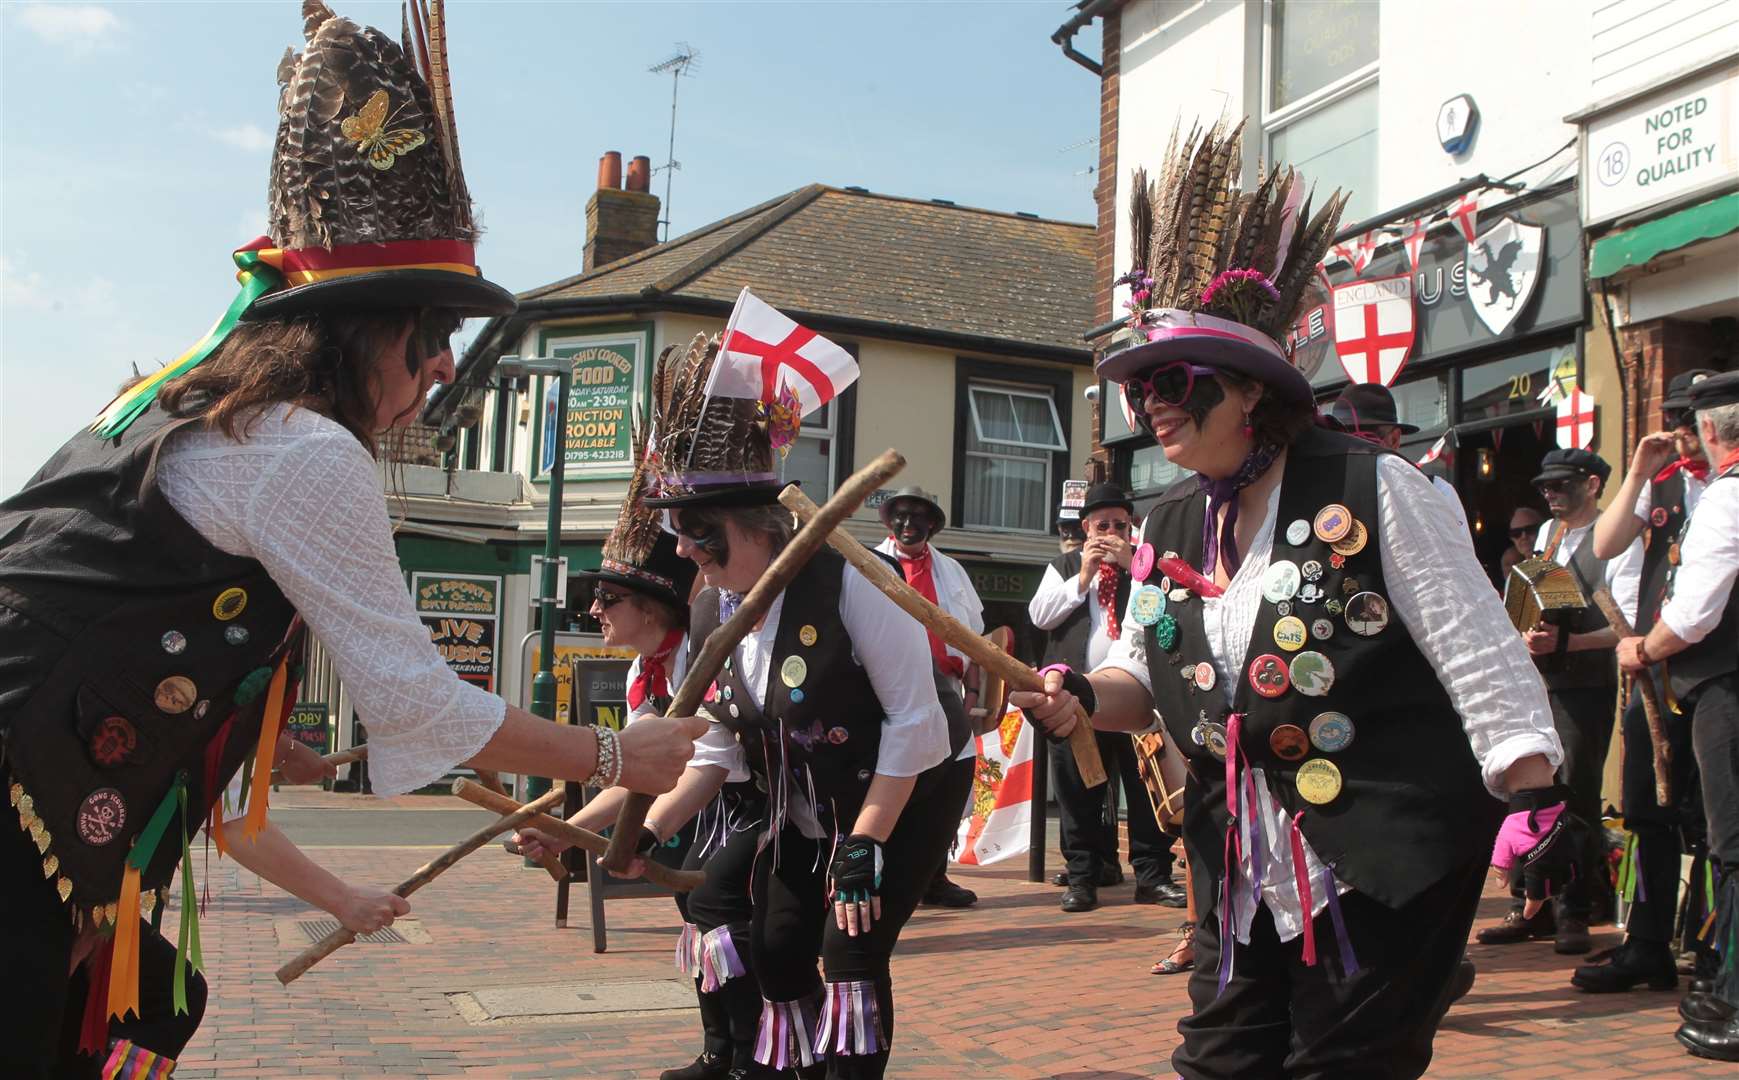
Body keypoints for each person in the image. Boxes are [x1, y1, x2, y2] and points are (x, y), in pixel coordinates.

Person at [0, 6, 701, 1076]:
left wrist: (239, 727)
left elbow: (118, 609)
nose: (436, 380)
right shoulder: (304, 449)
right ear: (368, 327)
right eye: (430, 343)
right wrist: (614, 753)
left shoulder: (175, 405)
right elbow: (418, 705)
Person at [1010, 121, 1570, 1079]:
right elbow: (1141, 677)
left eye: (1173, 380)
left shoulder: (1378, 487)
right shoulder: (1170, 521)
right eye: (1142, 388)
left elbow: (1475, 647)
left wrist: (1533, 794)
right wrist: (1074, 691)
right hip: (1239, 859)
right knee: (1219, 1061)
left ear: (1251, 391)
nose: (1151, 405)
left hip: (1379, 846)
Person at [622, 332, 966, 1080]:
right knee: (777, 949)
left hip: (903, 792)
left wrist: (865, 842)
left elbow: (918, 722)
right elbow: (721, 745)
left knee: (849, 951)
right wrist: (652, 828)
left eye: (692, 530)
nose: (679, 548)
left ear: (756, 523)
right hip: (803, 802)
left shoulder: (850, 583)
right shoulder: (714, 612)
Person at [1573, 369, 1720, 996]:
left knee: (1715, 816)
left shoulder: (1727, 485)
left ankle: (1713, 947)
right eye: (1677, 425)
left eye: (1693, 426)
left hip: (1714, 671)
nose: (1685, 440)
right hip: (1654, 671)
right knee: (1645, 808)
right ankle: (1649, 944)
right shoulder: (1661, 481)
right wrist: (1637, 472)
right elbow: (1603, 545)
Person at [1613, 370, 1739, 1061]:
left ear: (1710, 432)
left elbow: (1692, 614)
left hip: (1727, 686)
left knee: (1734, 845)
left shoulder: (1725, 497)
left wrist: (1641, 649)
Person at [1478, 447, 1641, 954]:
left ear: (1592, 485)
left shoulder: (1617, 538)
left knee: (1575, 795)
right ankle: (1533, 905)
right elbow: (1537, 605)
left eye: (1561, 485)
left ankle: (1573, 908)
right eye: (1545, 486)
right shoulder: (1547, 537)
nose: (1549, 494)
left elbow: (1628, 629)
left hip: (1584, 685)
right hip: (1540, 682)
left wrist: (1566, 644)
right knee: (1531, 794)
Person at [1027, 482, 1180, 912]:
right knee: (1079, 792)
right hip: (1078, 699)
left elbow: (1169, 606)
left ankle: (1152, 876)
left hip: (1135, 699)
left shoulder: (1145, 566)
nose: (1111, 531)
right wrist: (1084, 576)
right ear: (1086, 528)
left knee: (1146, 786)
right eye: (1102, 525)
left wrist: (1136, 565)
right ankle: (1082, 878)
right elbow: (1040, 616)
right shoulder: (1064, 566)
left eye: (1120, 524)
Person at [874, 487, 983, 909]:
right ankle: (887, 875)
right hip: (890, 687)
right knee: (897, 776)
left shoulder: (952, 571)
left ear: (932, 525)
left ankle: (933, 876)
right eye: (900, 516)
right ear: (889, 523)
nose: (908, 525)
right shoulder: (868, 564)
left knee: (949, 780)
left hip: (946, 689)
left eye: (918, 517)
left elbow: (974, 640)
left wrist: (972, 694)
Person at [1326, 383, 1466, 533]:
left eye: (1367, 439)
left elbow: (1460, 553)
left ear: (1394, 439)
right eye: (1343, 440)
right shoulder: (1321, 493)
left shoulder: (1437, 491)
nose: (1355, 452)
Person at [1500, 506, 1547, 584]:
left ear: (1543, 529)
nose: (1524, 536)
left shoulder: (1561, 562)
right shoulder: (1513, 579)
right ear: (1512, 538)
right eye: (1516, 533)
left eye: (1530, 530)